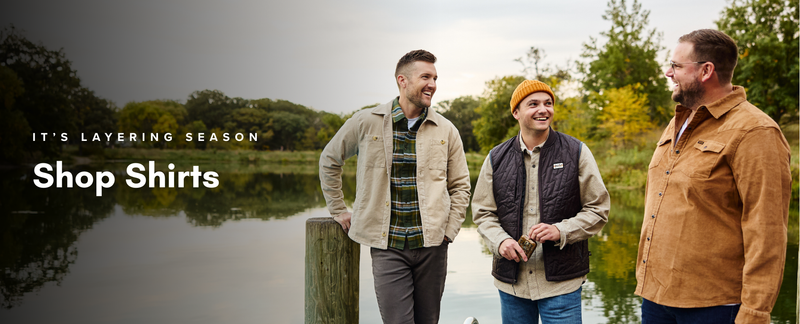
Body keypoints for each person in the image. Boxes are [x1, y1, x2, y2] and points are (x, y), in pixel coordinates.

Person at [635, 29, 791, 324]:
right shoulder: (678, 122)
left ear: (706, 71)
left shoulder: (755, 132)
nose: (669, 72)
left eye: (677, 66)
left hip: (716, 306)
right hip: (655, 296)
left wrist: (755, 312)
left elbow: (767, 229)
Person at [319, 49, 471, 324]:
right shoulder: (366, 122)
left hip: (433, 246)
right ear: (402, 80)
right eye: (425, 76)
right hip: (388, 247)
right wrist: (338, 209)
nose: (433, 84)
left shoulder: (446, 129)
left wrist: (450, 230)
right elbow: (329, 161)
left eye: (435, 78)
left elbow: (460, 186)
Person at [472, 79, 610, 324]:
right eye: (533, 104)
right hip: (512, 286)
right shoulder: (495, 158)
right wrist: (500, 241)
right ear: (516, 112)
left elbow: (598, 209)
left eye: (548, 103)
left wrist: (561, 230)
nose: (543, 109)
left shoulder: (577, 151)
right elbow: (483, 213)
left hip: (561, 286)